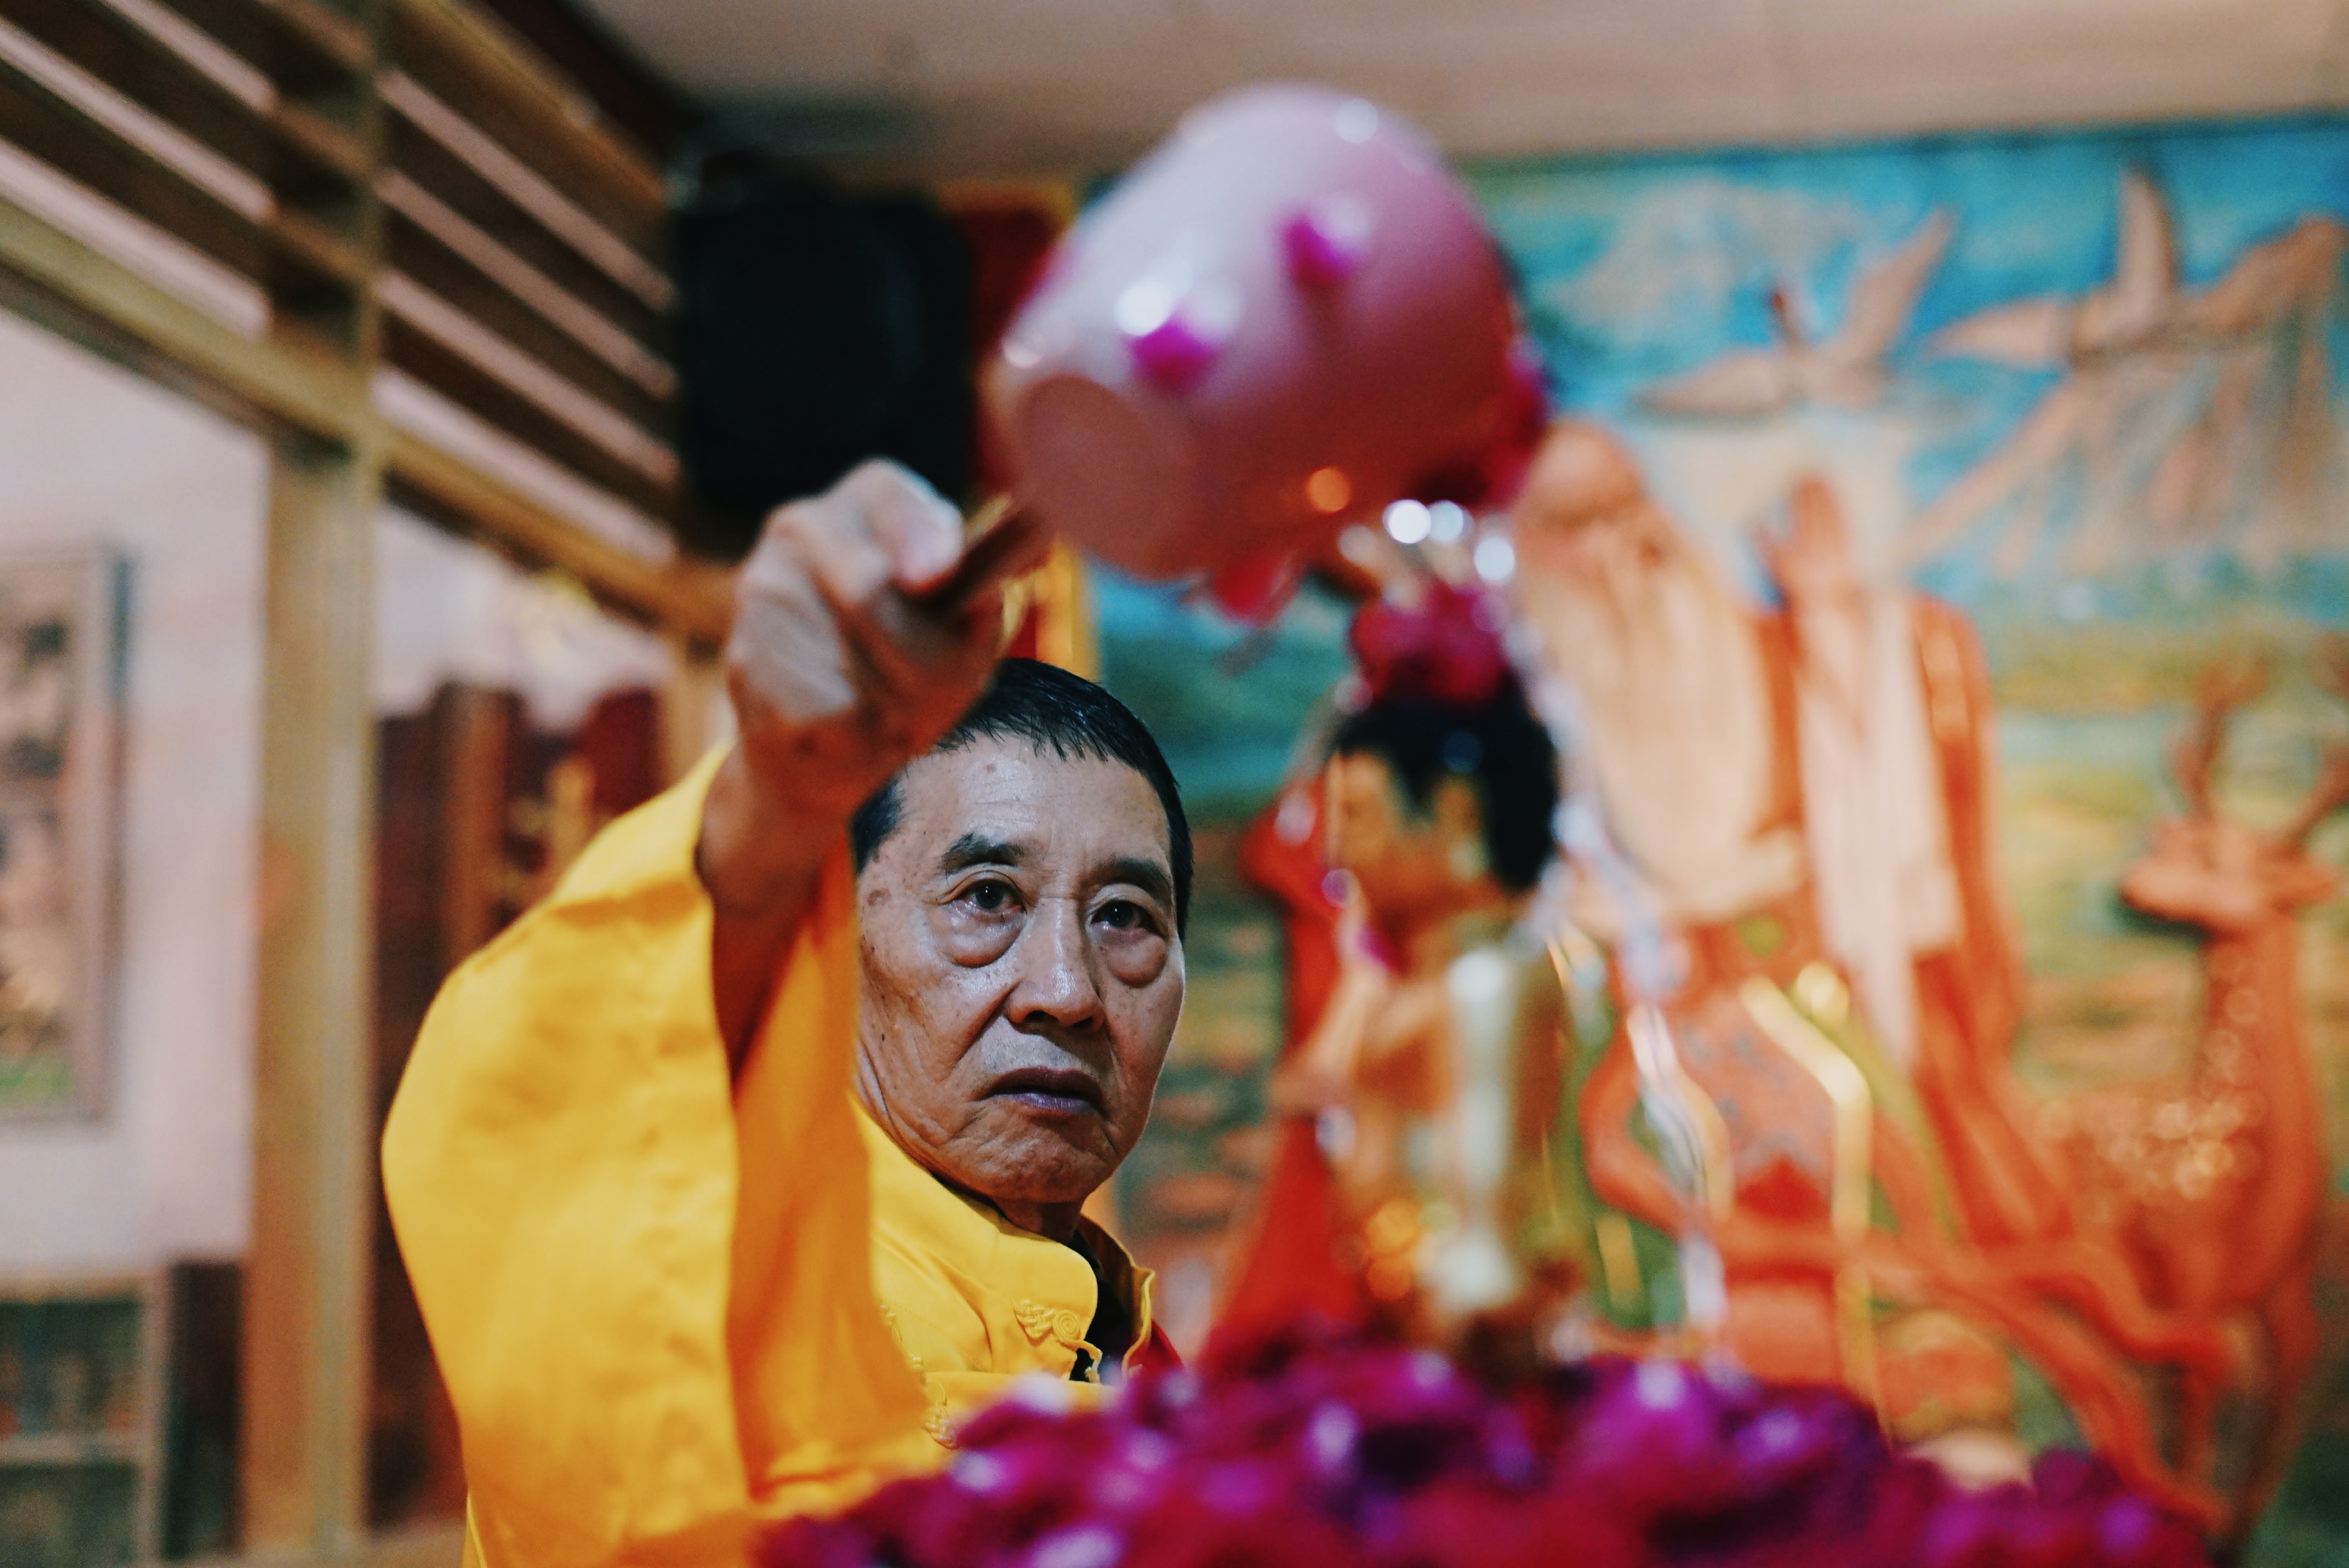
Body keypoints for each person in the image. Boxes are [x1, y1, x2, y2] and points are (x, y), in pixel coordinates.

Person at [382, 462, 1189, 1567]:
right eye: (986, 899)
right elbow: (554, 1127)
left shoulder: (1136, 1363)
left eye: (1126, 916)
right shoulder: (738, 1287)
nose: (1065, 989)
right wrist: (776, 804)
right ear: (837, 934)